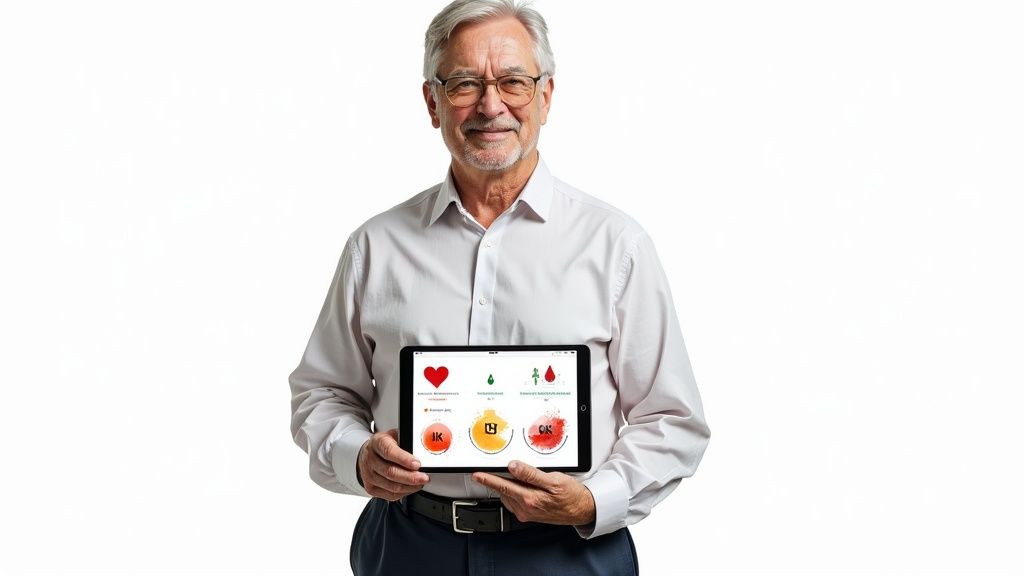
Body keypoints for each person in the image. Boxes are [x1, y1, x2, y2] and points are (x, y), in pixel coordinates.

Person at [289, 1, 710, 574]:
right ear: (432, 102)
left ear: (546, 95)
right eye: (464, 83)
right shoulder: (375, 246)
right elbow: (322, 393)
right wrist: (357, 457)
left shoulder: (616, 245)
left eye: (513, 81)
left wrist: (593, 500)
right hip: (410, 545)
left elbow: (672, 418)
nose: (491, 105)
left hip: (570, 551)